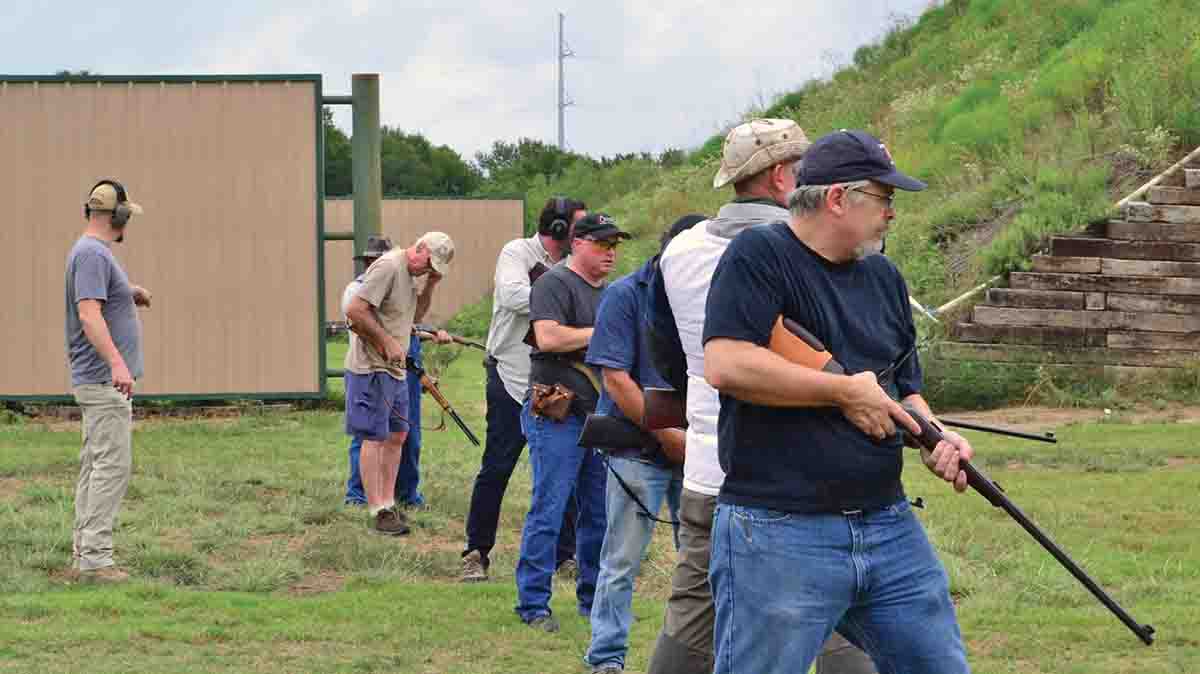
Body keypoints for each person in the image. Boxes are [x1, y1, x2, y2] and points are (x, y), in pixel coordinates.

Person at [703, 129, 973, 674]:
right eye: (884, 197)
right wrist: (843, 390)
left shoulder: (884, 277)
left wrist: (935, 436)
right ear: (836, 198)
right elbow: (727, 363)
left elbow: (906, 390)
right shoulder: (759, 255)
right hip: (778, 529)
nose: (892, 213)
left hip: (886, 522)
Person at [646, 119, 875, 674]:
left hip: (709, 468)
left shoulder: (679, 250)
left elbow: (668, 357)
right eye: (804, 170)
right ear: (780, 177)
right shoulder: (813, 248)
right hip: (806, 475)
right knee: (842, 621)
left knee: (691, 624)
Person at [582, 215, 702, 674]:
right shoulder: (625, 295)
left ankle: (699, 656)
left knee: (701, 564)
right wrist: (667, 436)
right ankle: (607, 658)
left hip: (694, 447)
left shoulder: (703, 294)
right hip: (639, 447)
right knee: (621, 561)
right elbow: (614, 378)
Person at [460, 197, 588, 582]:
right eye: (578, 229)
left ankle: (564, 555)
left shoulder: (572, 267)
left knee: (560, 466)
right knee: (497, 467)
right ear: (560, 230)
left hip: (551, 382)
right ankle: (476, 551)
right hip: (510, 377)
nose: (585, 239)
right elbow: (513, 295)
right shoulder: (517, 252)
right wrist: (561, 297)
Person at [514, 212, 628, 633]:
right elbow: (548, 338)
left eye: (614, 245)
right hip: (556, 413)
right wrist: (602, 332)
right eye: (602, 243)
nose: (610, 252)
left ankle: (592, 600)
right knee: (549, 508)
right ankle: (533, 605)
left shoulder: (612, 292)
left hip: (597, 415)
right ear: (577, 242)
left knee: (598, 513)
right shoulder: (553, 283)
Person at [65, 179, 151, 583]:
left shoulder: (94, 255)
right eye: (126, 215)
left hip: (99, 381)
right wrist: (117, 363)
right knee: (111, 467)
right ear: (116, 216)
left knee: (95, 465)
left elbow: (97, 299)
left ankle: (85, 551)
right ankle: (96, 561)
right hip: (103, 382)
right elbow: (88, 314)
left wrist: (126, 292)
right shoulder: (92, 255)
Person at [343, 231, 455, 535]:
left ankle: (389, 503)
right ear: (418, 248)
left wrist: (429, 284)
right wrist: (386, 342)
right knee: (373, 437)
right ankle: (377, 509)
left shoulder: (410, 275)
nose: (427, 270)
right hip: (370, 367)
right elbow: (354, 311)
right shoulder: (388, 266)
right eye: (428, 264)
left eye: (434, 269)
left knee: (398, 435)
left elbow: (413, 316)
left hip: (395, 369)